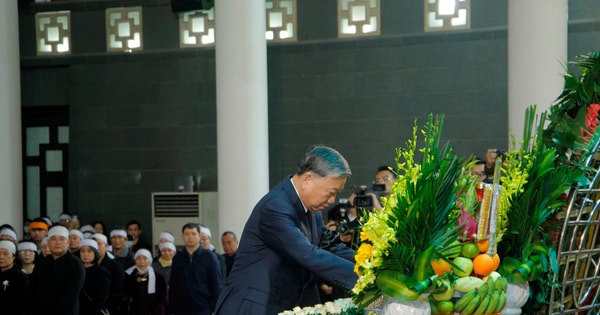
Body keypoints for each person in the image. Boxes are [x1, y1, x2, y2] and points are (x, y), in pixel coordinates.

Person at [215, 145, 358, 315]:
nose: (332, 200)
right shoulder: (275, 207)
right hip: (253, 306)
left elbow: (329, 245)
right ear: (307, 179)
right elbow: (308, 254)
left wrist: (371, 265)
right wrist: (361, 278)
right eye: (331, 192)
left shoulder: (313, 212)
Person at [28, 225, 85, 315]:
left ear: (68, 242)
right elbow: (33, 291)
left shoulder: (76, 265)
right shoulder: (42, 262)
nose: (57, 242)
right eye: (53, 239)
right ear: (48, 242)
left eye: (62, 239)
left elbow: (70, 297)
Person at [169, 223, 224, 315]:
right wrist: (172, 309)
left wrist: (216, 309)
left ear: (199, 236)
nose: (190, 237)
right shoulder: (178, 258)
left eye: (193, 234)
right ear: (182, 236)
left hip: (204, 308)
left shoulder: (209, 257)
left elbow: (217, 284)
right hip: (181, 309)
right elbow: (173, 285)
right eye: (187, 234)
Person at [125, 249, 168, 315]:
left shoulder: (159, 279)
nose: (141, 262)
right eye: (138, 259)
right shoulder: (129, 277)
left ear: (150, 260)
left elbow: (163, 300)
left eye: (145, 259)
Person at [94, 233, 126, 315]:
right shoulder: (86, 265)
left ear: (106, 246)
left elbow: (118, 292)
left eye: (99, 244)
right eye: (94, 245)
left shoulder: (115, 266)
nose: (97, 247)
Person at [79, 238, 111, 315]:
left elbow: (101, 298)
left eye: (89, 251)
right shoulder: (76, 270)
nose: (85, 254)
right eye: (82, 251)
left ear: (95, 253)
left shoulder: (102, 273)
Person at [0, 240, 29, 315]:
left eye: (6, 254)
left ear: (13, 257)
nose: (1, 257)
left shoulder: (20, 277)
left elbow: (25, 303)